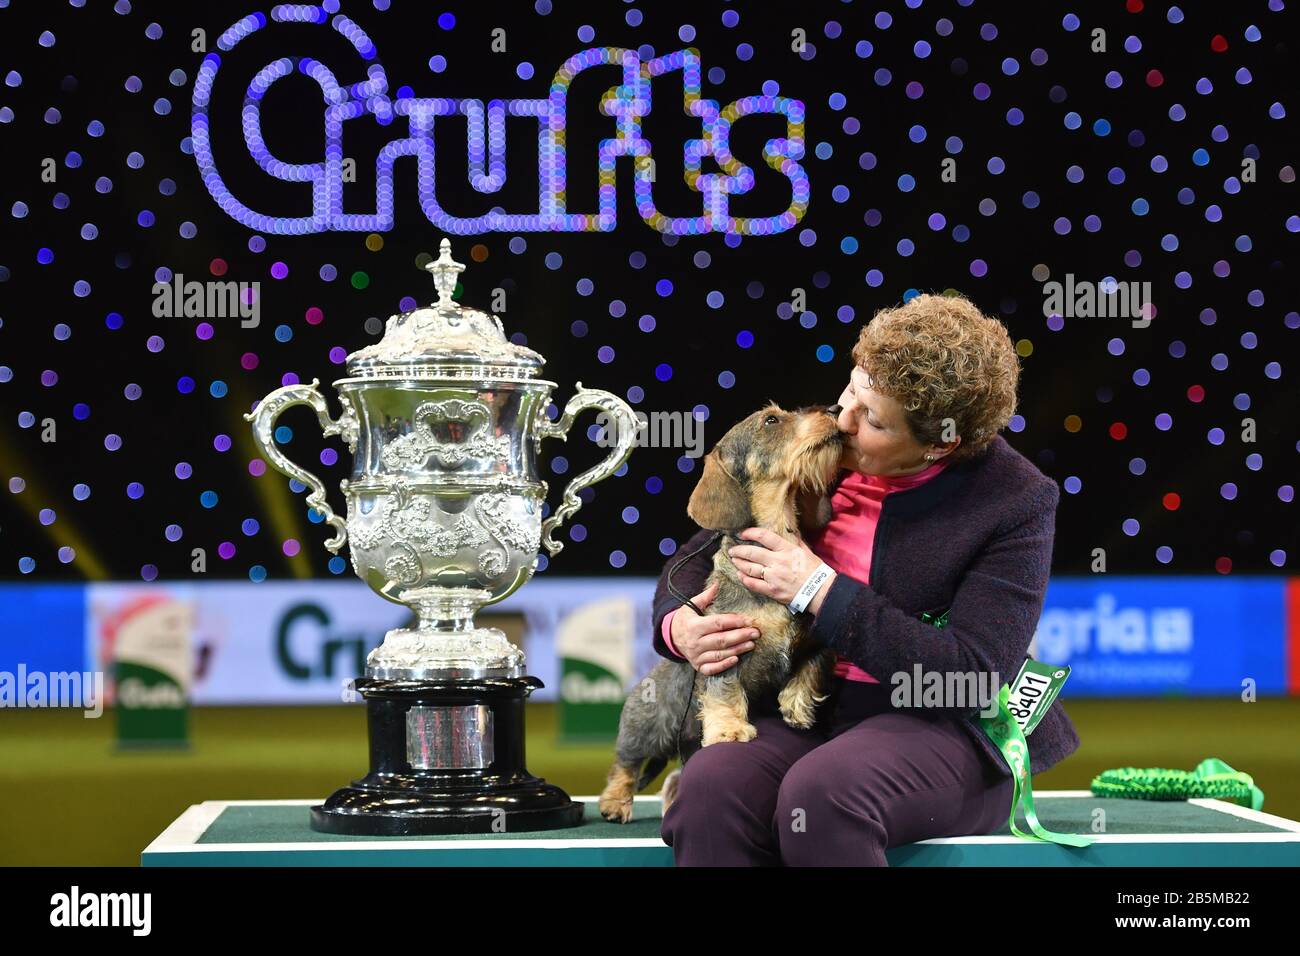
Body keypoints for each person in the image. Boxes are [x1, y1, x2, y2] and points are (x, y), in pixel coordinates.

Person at [651, 292, 1080, 866]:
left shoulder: (1015, 500)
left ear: (940, 442)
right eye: (852, 389)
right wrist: (679, 627)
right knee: (709, 790)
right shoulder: (826, 443)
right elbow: (700, 555)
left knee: (826, 795)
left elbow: (972, 674)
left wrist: (817, 589)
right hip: (810, 705)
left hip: (938, 721)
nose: (842, 420)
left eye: (873, 420)